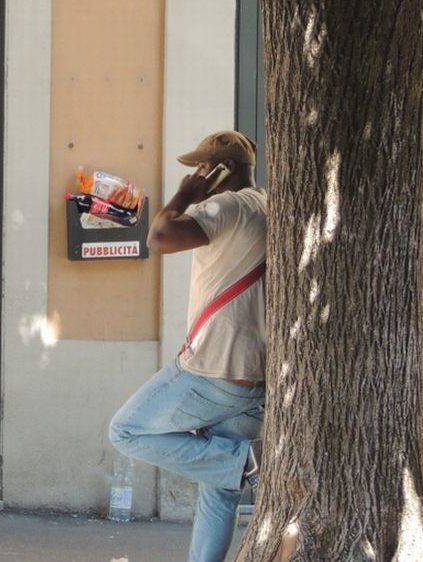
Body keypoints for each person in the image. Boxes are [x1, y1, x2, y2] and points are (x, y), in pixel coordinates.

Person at [109, 130, 267, 561]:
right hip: (253, 378)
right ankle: (235, 464)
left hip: (211, 370)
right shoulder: (266, 205)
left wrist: (184, 194)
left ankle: (242, 462)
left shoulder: (225, 205)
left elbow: (159, 237)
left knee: (125, 430)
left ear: (224, 170)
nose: (196, 174)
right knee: (218, 495)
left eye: (202, 167)